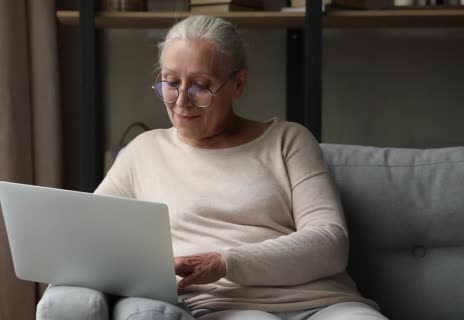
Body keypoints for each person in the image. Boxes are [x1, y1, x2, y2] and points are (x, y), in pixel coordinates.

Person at [39, 15, 388, 320]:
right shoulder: (142, 153)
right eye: (170, 82)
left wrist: (225, 263)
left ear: (238, 83)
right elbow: (88, 240)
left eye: (201, 86)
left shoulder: (289, 140)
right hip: (228, 308)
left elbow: (330, 243)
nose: (181, 100)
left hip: (326, 302)